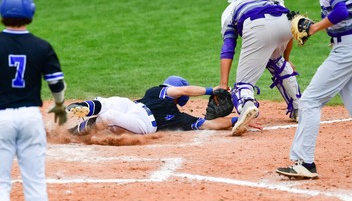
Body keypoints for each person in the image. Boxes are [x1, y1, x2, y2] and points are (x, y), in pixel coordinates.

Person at [276, 0, 352, 179]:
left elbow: (340, 11)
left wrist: (314, 28)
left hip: (346, 49)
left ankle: (304, 163)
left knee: (310, 101)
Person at [0, 0, 67, 201]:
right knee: (35, 182)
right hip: (30, 118)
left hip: (0, 119)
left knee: (0, 184)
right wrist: (59, 106)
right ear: (31, 12)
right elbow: (56, 84)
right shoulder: (41, 46)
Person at [219, 0, 301, 136]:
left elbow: (228, 47)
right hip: (286, 25)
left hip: (257, 25)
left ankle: (247, 105)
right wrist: (286, 59)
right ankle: (299, 108)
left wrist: (223, 83)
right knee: (277, 63)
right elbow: (290, 21)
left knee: (242, 86)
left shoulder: (230, 9)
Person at [66, 75, 261, 135]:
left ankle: (75, 132)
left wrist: (240, 119)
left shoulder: (181, 118)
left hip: (142, 123)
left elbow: (211, 124)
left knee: (108, 117)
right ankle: (83, 108)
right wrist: (212, 90)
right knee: (113, 101)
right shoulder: (156, 92)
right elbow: (183, 91)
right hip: (132, 107)